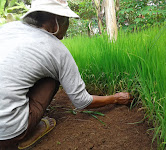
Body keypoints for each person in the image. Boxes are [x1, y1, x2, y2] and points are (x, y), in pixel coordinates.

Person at [0, 0, 133, 149]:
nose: (67, 26)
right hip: (7, 133)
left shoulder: (7, 29)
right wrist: (114, 98)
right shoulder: (57, 50)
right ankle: (27, 133)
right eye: (66, 20)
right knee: (52, 78)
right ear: (55, 20)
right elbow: (82, 102)